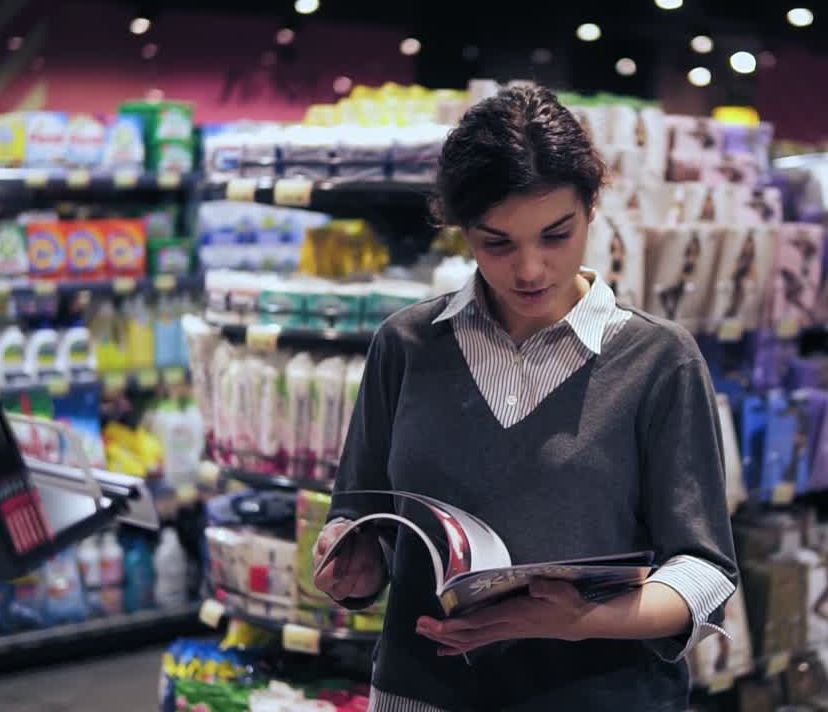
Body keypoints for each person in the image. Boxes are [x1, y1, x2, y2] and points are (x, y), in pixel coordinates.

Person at [313, 84, 737, 712]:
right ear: (461, 231)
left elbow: (705, 570)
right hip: (421, 694)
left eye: (556, 235)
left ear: (592, 208)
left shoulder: (658, 359)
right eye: (497, 244)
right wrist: (351, 564)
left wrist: (584, 620)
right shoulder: (406, 345)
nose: (531, 269)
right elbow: (360, 519)